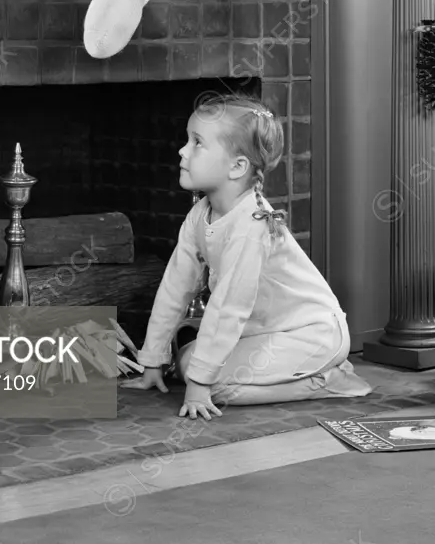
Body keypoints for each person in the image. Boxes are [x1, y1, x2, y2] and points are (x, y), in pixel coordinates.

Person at [125, 92, 372, 419]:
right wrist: (153, 362)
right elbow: (175, 287)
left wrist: (201, 383)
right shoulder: (200, 214)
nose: (182, 150)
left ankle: (327, 379)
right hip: (263, 330)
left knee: (216, 387)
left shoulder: (251, 225)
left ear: (237, 166)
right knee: (186, 361)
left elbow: (229, 307)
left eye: (197, 143)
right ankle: (293, 371)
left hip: (311, 334)